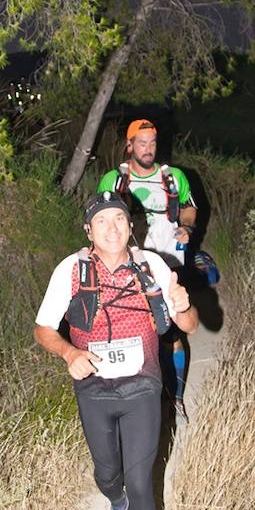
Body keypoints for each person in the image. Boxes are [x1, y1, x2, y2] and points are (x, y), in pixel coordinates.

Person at [34, 191, 198, 510]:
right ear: (89, 230)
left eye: (120, 220)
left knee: (141, 479)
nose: (112, 227)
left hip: (143, 385)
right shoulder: (71, 270)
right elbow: (43, 329)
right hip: (94, 387)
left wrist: (182, 308)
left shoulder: (152, 266)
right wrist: (70, 353)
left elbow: (191, 324)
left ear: (131, 227)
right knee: (109, 473)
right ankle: (117, 504)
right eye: (102, 221)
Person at [97, 119, 198, 425]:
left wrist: (187, 227)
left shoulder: (173, 177)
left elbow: (189, 208)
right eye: (141, 143)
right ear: (129, 145)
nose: (148, 149)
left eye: (152, 143)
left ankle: (176, 399)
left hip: (169, 264)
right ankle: (134, 401)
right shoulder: (114, 181)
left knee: (171, 334)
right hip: (127, 267)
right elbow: (102, 221)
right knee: (134, 335)